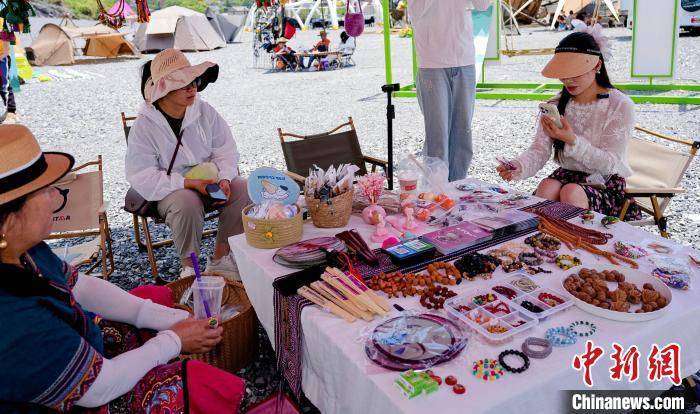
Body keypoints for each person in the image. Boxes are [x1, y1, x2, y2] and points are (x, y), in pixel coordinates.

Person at [0, 124, 245, 412]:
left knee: (151, 297)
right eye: (44, 191)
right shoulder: (12, 319)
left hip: (75, 345)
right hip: (74, 398)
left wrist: (165, 317)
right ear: (7, 220)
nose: (55, 197)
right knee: (194, 384)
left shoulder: (23, 249)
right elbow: (97, 389)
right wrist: (174, 339)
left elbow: (82, 286)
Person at [125, 49, 251, 279]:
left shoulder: (205, 111)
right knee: (187, 200)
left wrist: (224, 177)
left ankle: (221, 260)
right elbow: (141, 175)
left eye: (194, 81)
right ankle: (189, 268)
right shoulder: (144, 125)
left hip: (208, 182)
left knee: (242, 187)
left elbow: (225, 150)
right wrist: (189, 183)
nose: (192, 87)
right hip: (170, 190)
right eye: (182, 83)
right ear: (163, 89)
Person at [497, 26, 641, 221]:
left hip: (604, 182)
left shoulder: (619, 105)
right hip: (567, 176)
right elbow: (539, 150)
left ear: (597, 65)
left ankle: (577, 245)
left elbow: (611, 164)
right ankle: (548, 243)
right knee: (548, 186)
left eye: (576, 72)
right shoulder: (555, 104)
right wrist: (517, 166)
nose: (568, 80)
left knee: (571, 192)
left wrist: (572, 140)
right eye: (563, 73)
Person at [407, 0, 492, 182]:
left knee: (463, 135)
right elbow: (414, 11)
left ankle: (457, 189)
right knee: (437, 137)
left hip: (465, 58)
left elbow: (483, 5)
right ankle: (435, 193)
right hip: (432, 62)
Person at [0, 38, 17, 124]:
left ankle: (11, 112)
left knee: (4, 85)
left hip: (1, 57)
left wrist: (5, 53)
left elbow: (5, 36)